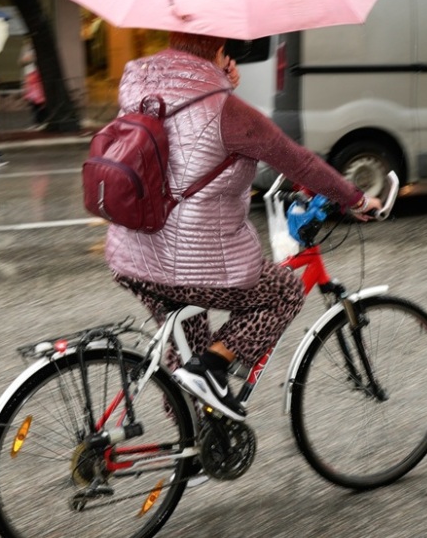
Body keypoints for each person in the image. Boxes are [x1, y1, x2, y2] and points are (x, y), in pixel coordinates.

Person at [106, 32, 382, 422]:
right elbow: (297, 161)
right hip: (185, 262)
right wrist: (354, 198)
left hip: (131, 251)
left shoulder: (141, 87)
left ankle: (193, 441)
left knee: (189, 344)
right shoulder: (227, 110)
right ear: (219, 48)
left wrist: (216, 81)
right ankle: (212, 370)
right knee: (283, 291)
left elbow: (182, 128)